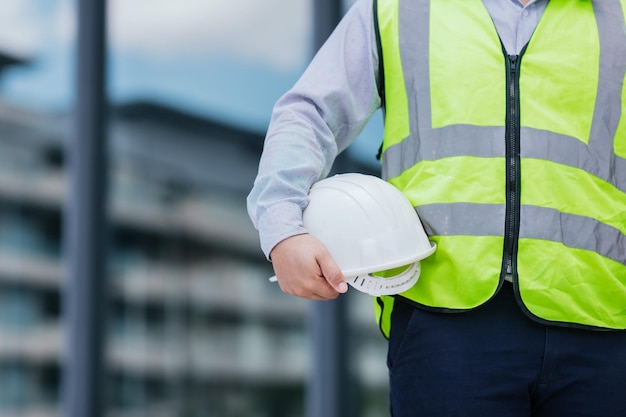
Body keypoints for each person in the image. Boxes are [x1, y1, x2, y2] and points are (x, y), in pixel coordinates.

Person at [247, 0, 626, 415]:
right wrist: (281, 225)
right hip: (445, 323)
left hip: (604, 322)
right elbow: (310, 112)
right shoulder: (397, 8)